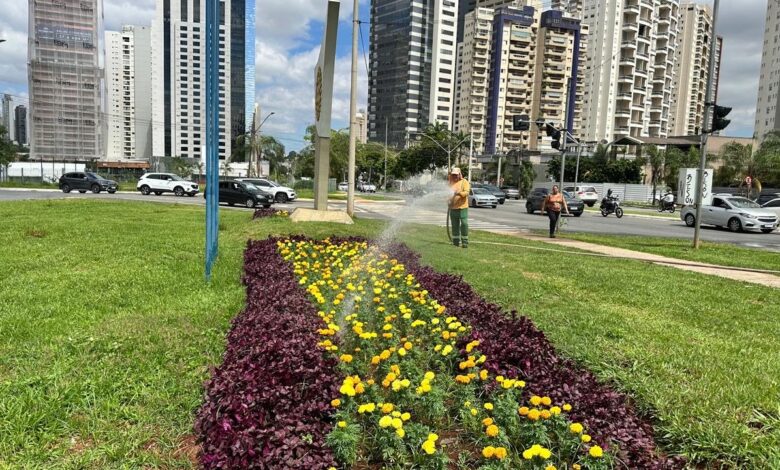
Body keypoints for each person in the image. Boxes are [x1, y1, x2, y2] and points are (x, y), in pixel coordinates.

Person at [448, 167, 471, 248]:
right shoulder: (450, 182)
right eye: (453, 175)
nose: (454, 176)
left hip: (462, 208)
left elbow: (466, 193)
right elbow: (446, 195)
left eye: (456, 175)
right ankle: (456, 242)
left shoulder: (464, 182)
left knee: (464, 224)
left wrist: (459, 193)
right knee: (454, 225)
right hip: (453, 208)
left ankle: (465, 242)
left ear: (459, 175)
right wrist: (448, 201)